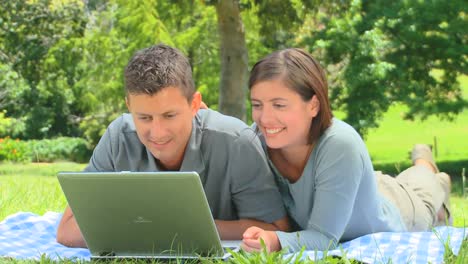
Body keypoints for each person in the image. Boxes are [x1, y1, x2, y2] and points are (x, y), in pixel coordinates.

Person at [56, 44, 289, 248]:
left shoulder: (236, 141)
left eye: (169, 115)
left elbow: (276, 228)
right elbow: (67, 230)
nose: (157, 133)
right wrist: (161, 231)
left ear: (195, 103)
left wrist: (174, 229)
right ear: (128, 105)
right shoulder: (118, 137)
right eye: (144, 118)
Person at [240, 48, 452, 253]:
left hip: (402, 207)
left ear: (313, 105)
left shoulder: (340, 143)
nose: (265, 119)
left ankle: (428, 166)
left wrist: (276, 240)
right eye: (257, 105)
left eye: (279, 105)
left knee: (426, 196)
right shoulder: (258, 140)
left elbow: (323, 239)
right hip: (357, 188)